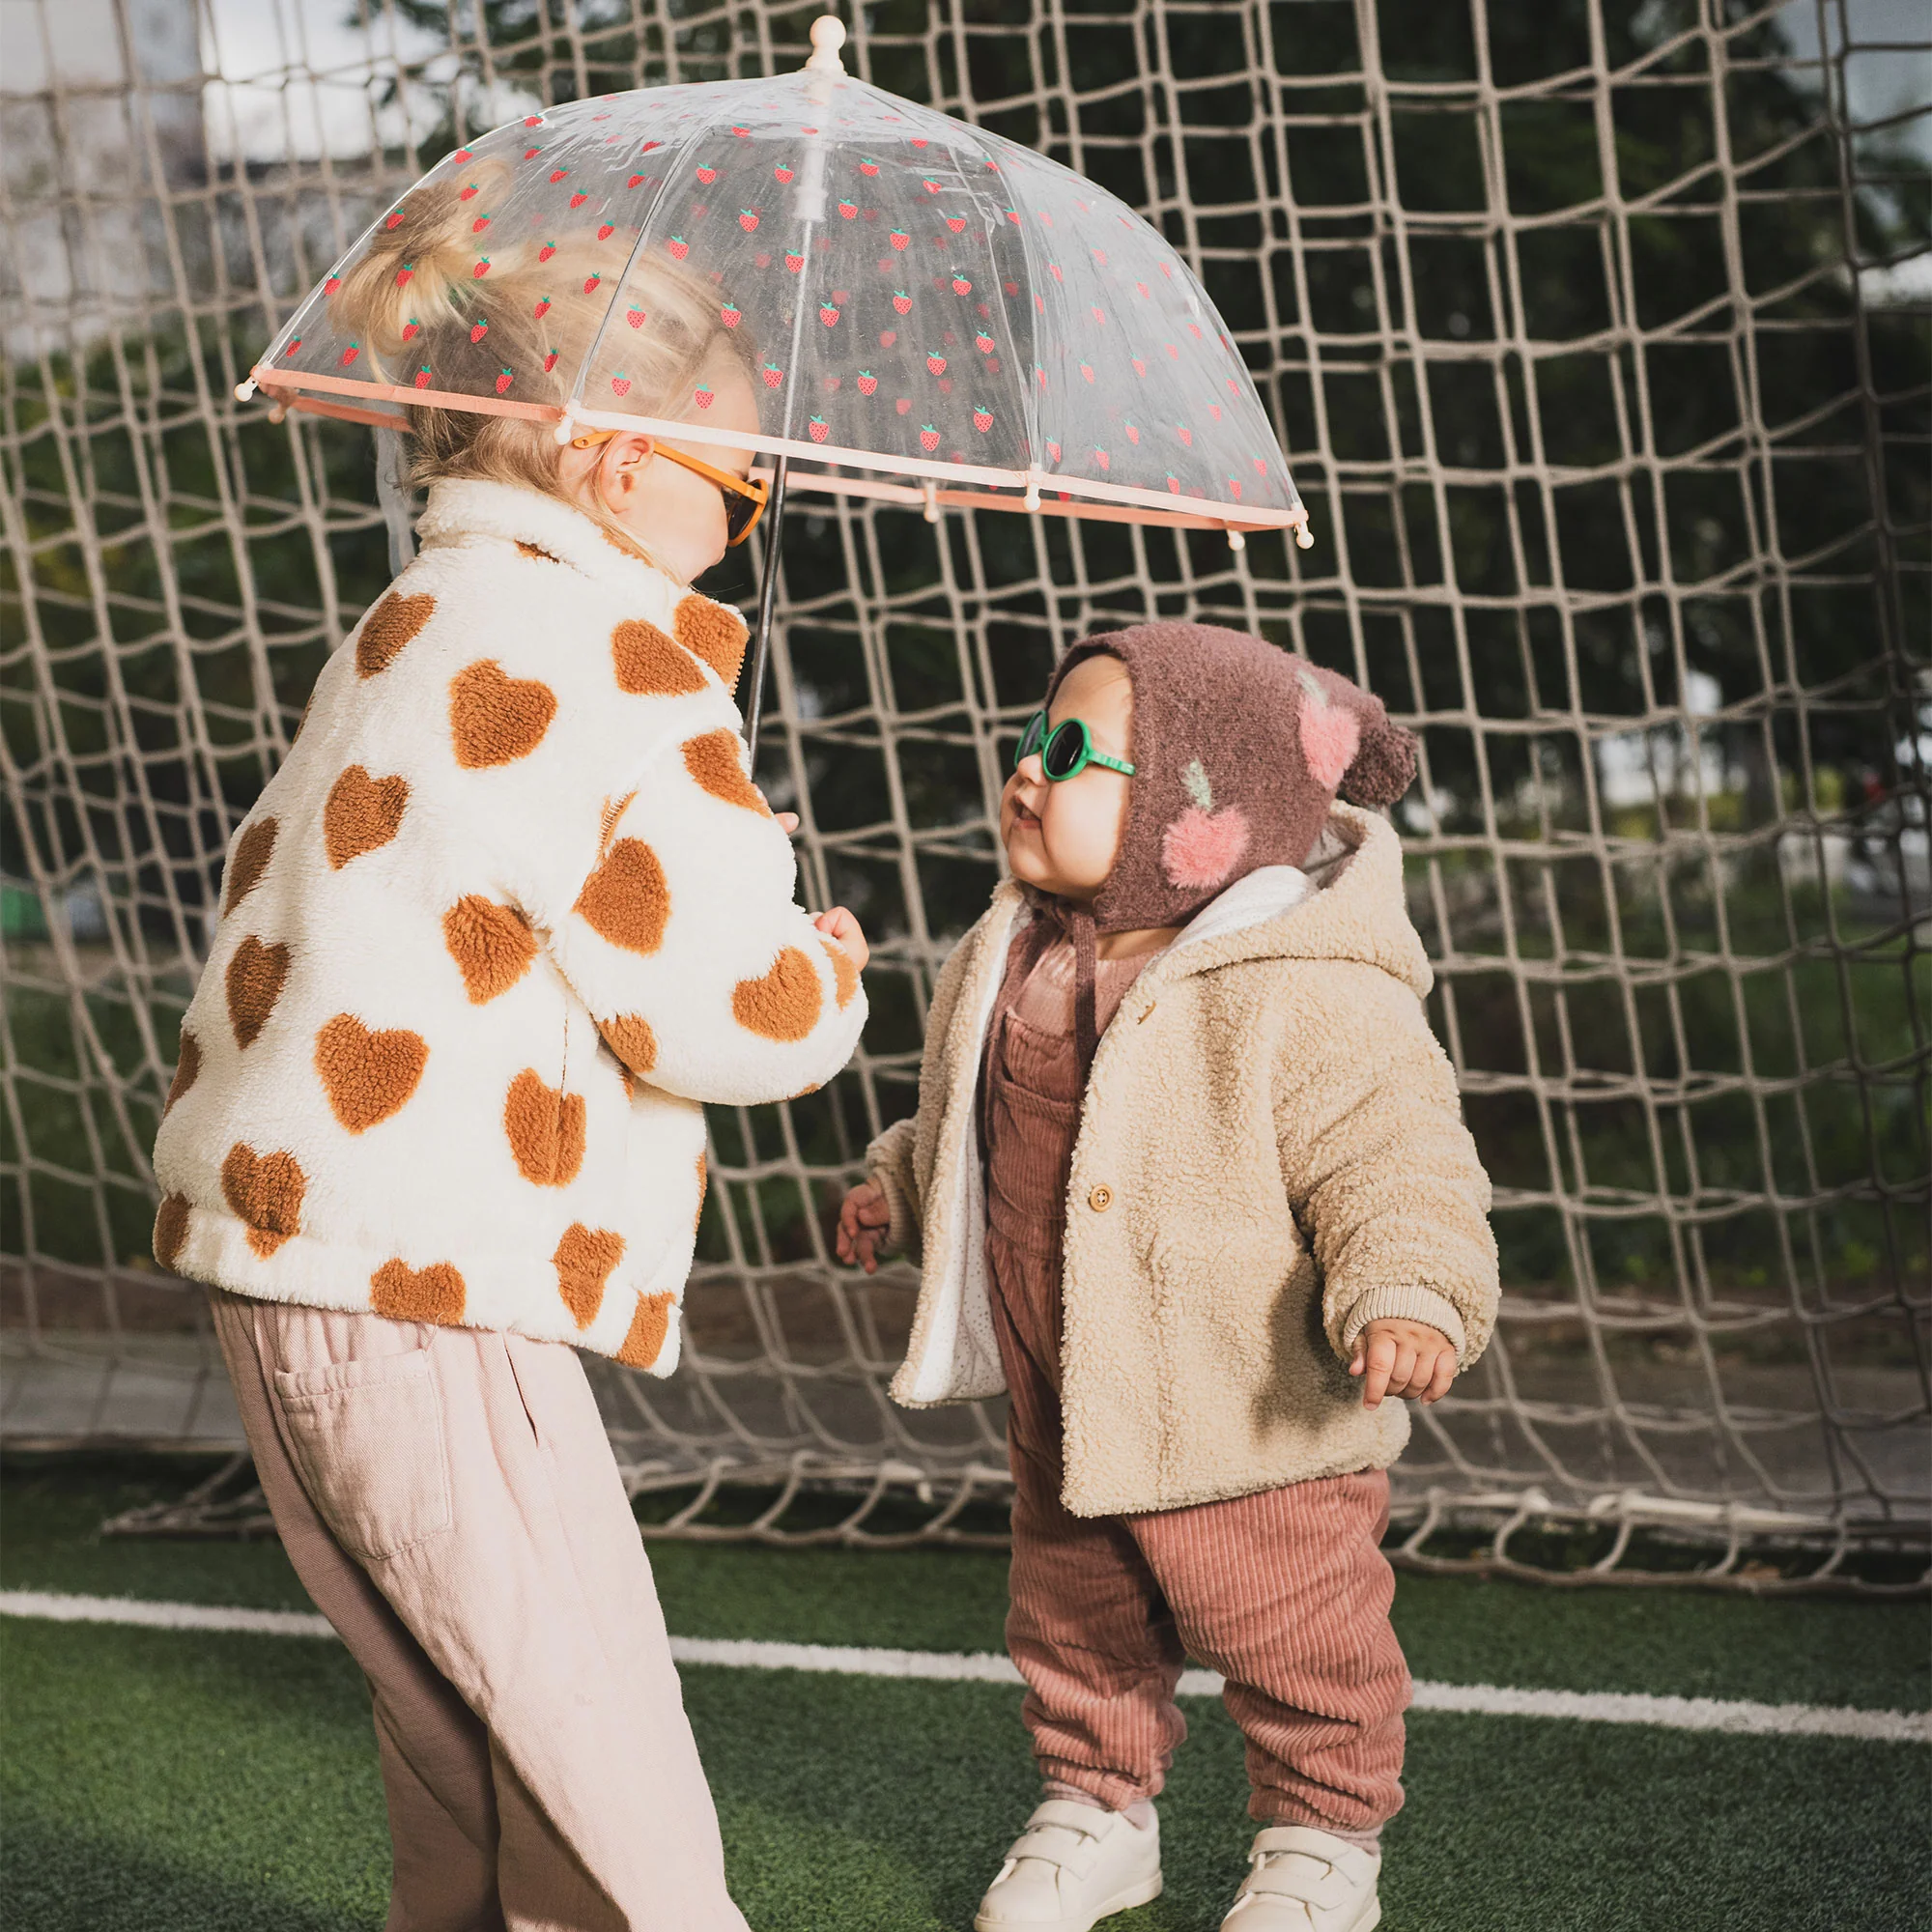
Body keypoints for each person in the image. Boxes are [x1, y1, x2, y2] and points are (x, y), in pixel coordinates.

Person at [153, 163, 869, 1930]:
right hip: (434, 1290)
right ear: (622, 459)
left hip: (279, 1262)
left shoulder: (416, 619)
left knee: (458, 1723)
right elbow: (720, 1009)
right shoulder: (622, 662)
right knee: (584, 1724)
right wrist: (827, 973)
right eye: (745, 482)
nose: (749, 514)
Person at [837, 625, 1497, 1932]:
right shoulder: (1012, 952)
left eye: (1075, 754)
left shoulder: (1302, 987)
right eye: (1034, 741)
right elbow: (972, 1120)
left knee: (1298, 1630)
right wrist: (898, 1185)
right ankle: (1097, 1806)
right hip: (1068, 1393)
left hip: (1249, 1406)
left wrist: (1410, 1288)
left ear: (1205, 810)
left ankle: (1324, 1835)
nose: (1030, 772)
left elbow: (1397, 1154)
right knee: (1076, 1622)